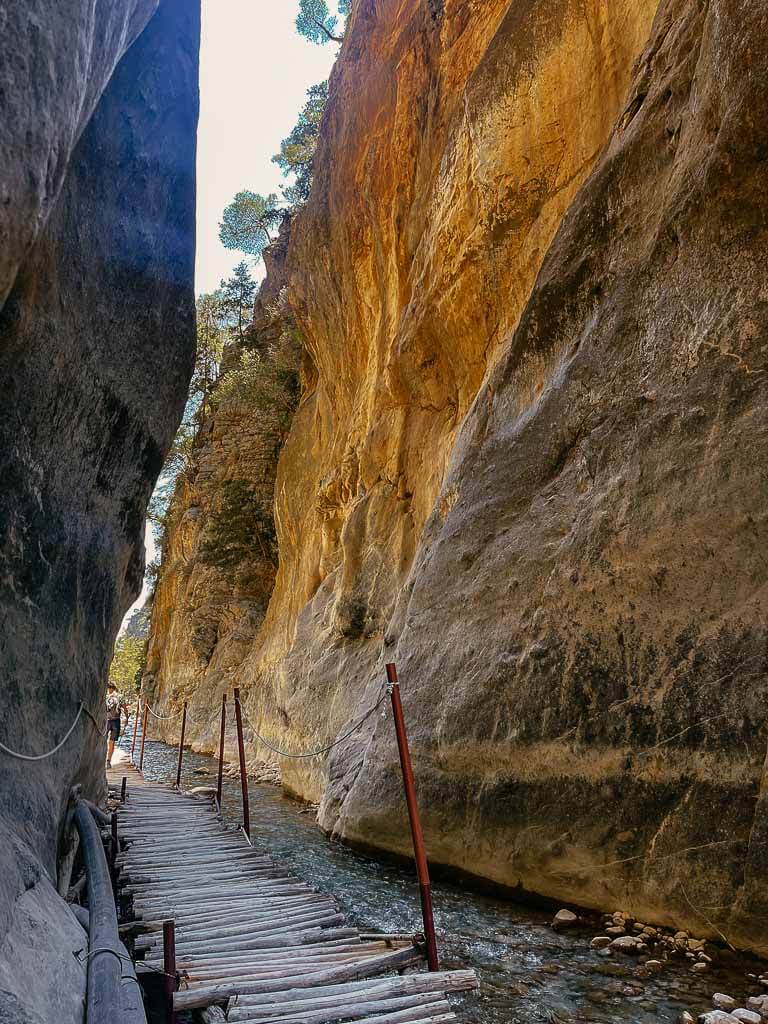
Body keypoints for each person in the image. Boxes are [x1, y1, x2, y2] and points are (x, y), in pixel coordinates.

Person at [105, 682, 129, 768]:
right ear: (115, 687)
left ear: (108, 688)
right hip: (116, 721)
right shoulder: (119, 696)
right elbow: (125, 709)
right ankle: (108, 761)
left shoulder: (105, 696)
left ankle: (101, 759)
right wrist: (127, 718)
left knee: (103, 740)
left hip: (106, 721)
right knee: (112, 742)